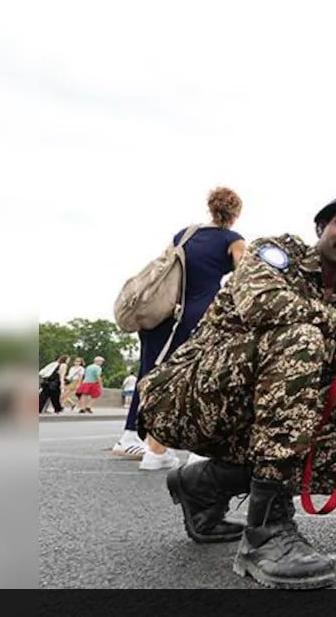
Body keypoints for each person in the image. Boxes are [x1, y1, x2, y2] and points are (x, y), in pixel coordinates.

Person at [137, 192, 336, 590]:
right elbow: (262, 304)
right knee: (301, 339)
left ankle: (203, 486)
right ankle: (265, 532)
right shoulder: (274, 253)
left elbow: (331, 372)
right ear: (321, 227)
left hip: (250, 406)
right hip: (184, 397)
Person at [112, 187, 246, 470]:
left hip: (162, 312)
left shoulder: (184, 234)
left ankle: (139, 439)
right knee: (196, 378)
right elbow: (245, 275)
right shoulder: (233, 240)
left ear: (210, 208)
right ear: (235, 213)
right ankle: (193, 449)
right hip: (199, 313)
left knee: (150, 374)